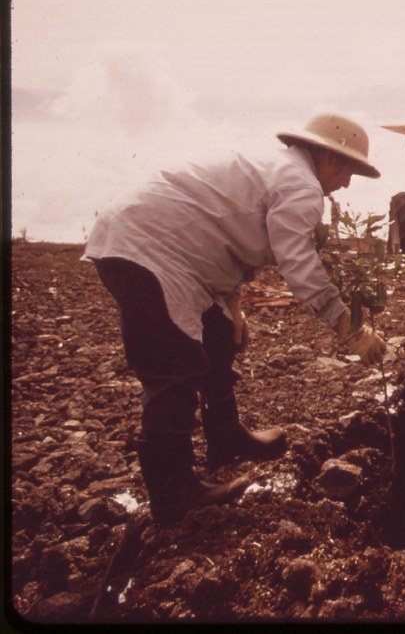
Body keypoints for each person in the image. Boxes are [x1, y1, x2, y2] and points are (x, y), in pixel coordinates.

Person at [83, 111, 388, 525]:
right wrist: (348, 326)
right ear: (331, 160)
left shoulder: (276, 171)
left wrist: (235, 307)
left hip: (153, 245)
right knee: (173, 366)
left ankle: (225, 437)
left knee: (216, 333)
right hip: (151, 250)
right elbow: (298, 264)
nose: (346, 184)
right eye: (349, 171)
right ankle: (174, 494)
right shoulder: (301, 185)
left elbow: (231, 238)